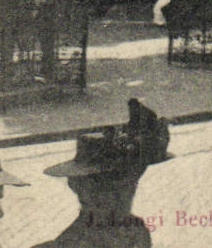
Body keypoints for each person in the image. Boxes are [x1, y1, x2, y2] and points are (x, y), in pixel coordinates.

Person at [37, 99, 171, 248]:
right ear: (80, 189)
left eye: (130, 185)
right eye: (108, 189)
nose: (123, 196)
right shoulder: (72, 243)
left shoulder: (136, 232)